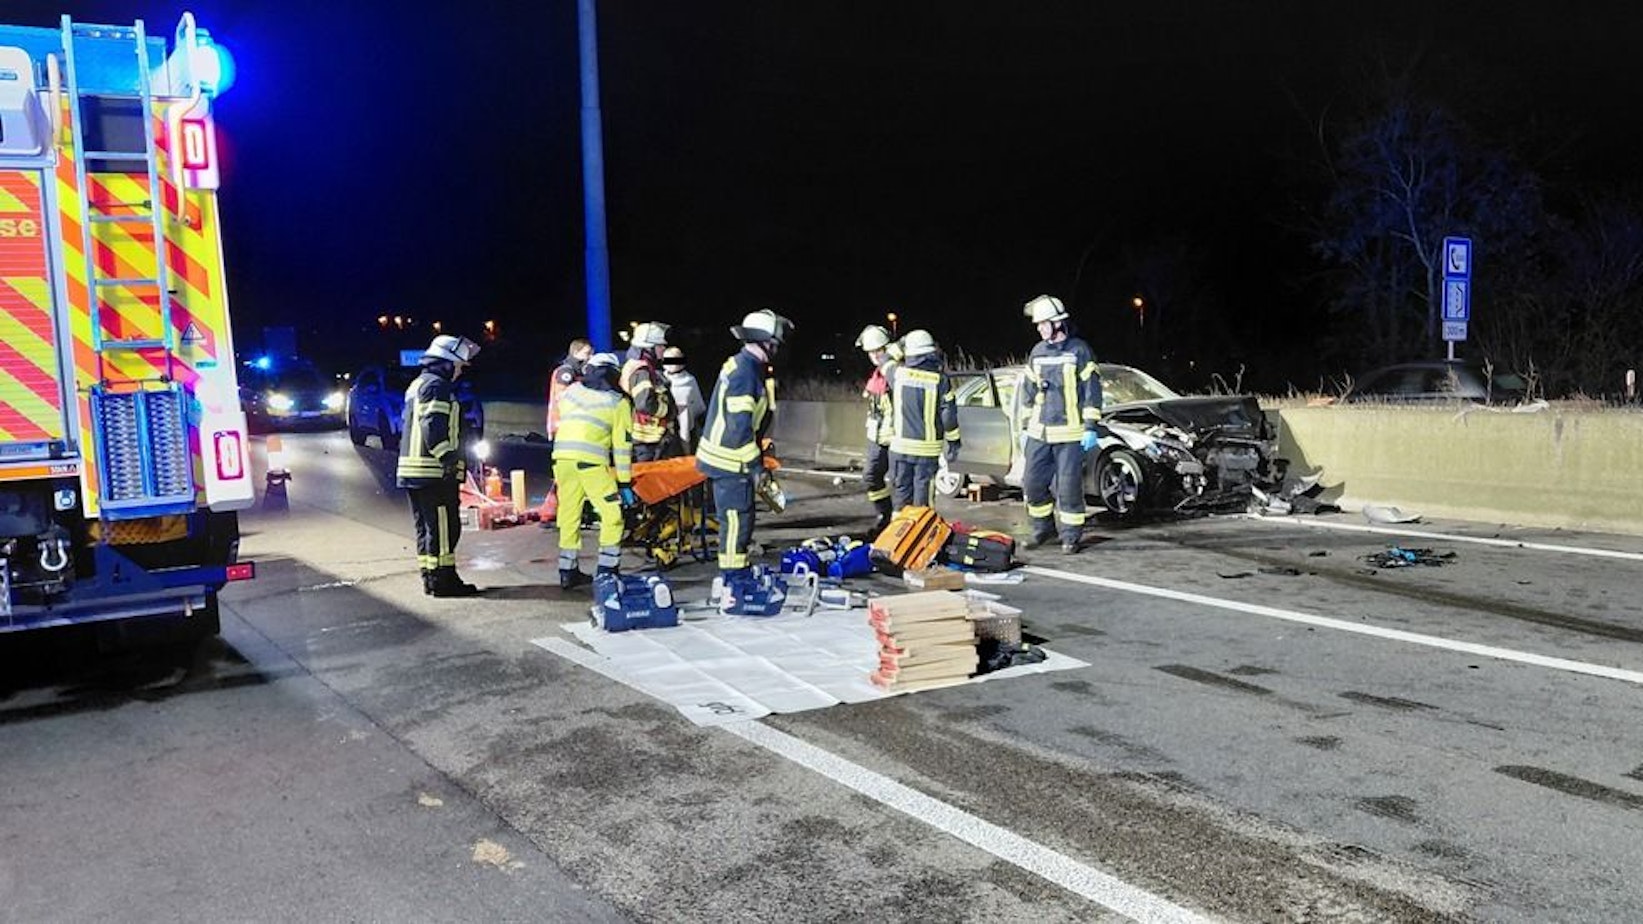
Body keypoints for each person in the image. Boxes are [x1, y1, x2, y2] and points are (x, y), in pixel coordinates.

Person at [696, 309, 793, 588]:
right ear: (765, 342)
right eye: (775, 343)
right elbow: (740, 429)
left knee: (741, 518)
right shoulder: (745, 373)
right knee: (736, 520)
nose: (778, 349)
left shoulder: (744, 365)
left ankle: (735, 572)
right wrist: (755, 467)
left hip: (728, 458)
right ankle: (732, 577)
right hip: (730, 460)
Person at [397, 334, 483, 597]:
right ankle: (445, 581)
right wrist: (449, 459)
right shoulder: (437, 386)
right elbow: (432, 426)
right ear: (445, 363)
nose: (459, 371)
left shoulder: (418, 384)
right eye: (457, 365)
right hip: (433, 472)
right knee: (445, 528)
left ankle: (431, 578)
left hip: (414, 470)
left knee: (426, 528)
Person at [1019, 294, 1104, 554]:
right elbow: (1028, 392)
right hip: (1040, 433)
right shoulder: (1037, 352)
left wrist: (1090, 427)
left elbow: (1091, 392)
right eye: (1038, 325)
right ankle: (1043, 530)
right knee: (1032, 484)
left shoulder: (1079, 351)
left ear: (1058, 323)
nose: (1040, 329)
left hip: (1070, 433)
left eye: (1043, 324)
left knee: (1068, 488)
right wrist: (1025, 426)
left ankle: (1071, 536)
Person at [551, 353, 635, 589]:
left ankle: (567, 571)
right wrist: (625, 483)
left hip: (562, 459)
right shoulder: (618, 403)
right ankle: (608, 570)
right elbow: (622, 448)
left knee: (569, 514)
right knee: (612, 514)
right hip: (591, 464)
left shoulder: (571, 392)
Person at [887, 329, 960, 511]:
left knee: (901, 498)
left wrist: (900, 343)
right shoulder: (941, 380)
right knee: (923, 501)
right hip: (927, 452)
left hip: (900, 449)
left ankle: (899, 528)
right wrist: (953, 443)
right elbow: (949, 416)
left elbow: (886, 359)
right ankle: (921, 528)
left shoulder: (897, 374)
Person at [855, 324, 898, 534]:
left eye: (877, 351)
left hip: (896, 437)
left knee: (900, 483)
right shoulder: (877, 375)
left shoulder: (894, 372)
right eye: (870, 352)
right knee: (871, 477)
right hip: (878, 436)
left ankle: (900, 526)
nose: (873, 356)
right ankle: (884, 515)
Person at [620, 322, 677, 462]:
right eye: (660, 346)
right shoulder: (642, 371)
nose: (664, 349)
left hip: (648, 439)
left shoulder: (644, 367)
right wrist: (668, 411)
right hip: (646, 441)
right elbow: (644, 404)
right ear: (649, 348)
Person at [661, 345, 707, 451]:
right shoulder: (660, 380)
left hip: (686, 427)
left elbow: (698, 408)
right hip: (666, 428)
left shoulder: (690, 380)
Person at [547, 338, 594, 436]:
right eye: (587, 353)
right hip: (563, 423)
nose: (590, 357)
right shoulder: (567, 371)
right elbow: (561, 397)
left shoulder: (578, 372)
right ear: (576, 353)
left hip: (571, 421)